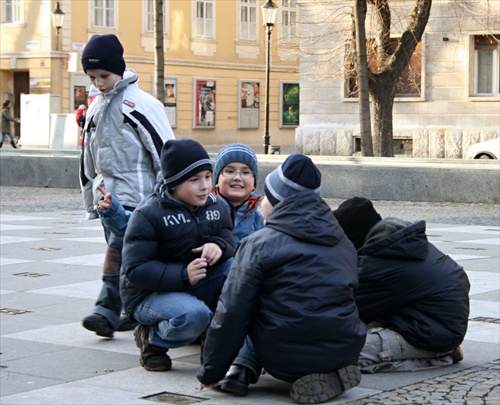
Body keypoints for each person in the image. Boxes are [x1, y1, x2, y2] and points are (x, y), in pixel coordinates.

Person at [198, 154, 366, 404]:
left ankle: (240, 369)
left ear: (278, 202)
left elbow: (231, 312)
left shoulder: (258, 244)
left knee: (248, 301)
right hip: (346, 348)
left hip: (284, 356)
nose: (262, 200)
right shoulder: (343, 241)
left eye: (266, 195)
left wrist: (211, 371)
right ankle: (329, 369)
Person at [79, 34, 175, 339]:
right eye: (93, 77)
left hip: (140, 200)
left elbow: (166, 153)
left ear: (119, 69)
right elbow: (87, 159)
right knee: (128, 259)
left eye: (104, 75)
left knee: (118, 251)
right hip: (108, 200)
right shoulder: (94, 108)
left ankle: (105, 310)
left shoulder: (142, 105)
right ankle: (130, 312)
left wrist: (168, 198)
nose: (99, 83)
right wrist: (91, 202)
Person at [116, 138, 235, 372]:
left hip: (194, 283)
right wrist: (183, 275)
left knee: (236, 271)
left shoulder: (216, 205)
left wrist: (219, 246)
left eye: (207, 177)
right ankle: (151, 338)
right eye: (194, 180)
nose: (204, 186)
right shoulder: (149, 214)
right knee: (194, 315)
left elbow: (228, 238)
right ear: (173, 184)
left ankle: (215, 342)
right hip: (149, 294)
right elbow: (136, 270)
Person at [333, 197, 470, 373]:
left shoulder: (380, 262)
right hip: (429, 320)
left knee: (337, 353)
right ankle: (439, 351)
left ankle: (441, 356)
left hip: (429, 334)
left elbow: (349, 311)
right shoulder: (399, 242)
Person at [213, 143, 264, 245]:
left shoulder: (261, 221)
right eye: (230, 171)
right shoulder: (204, 212)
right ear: (217, 180)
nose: (237, 178)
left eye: (245, 172)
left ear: (254, 184)